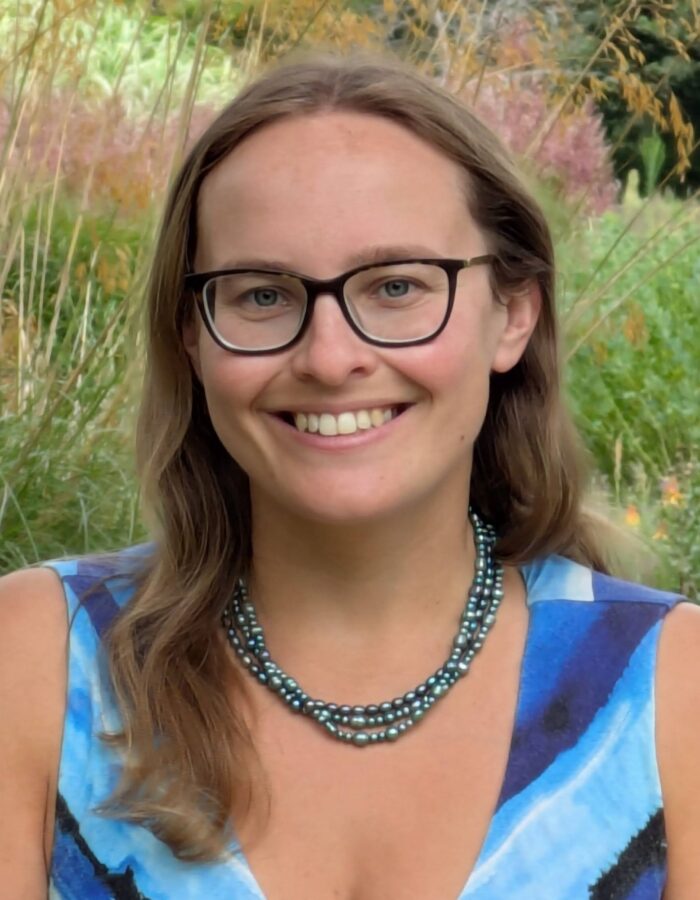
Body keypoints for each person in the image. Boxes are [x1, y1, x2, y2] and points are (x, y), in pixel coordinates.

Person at [1, 51, 699, 900]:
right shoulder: (36, 660)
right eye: (262, 294)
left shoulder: (673, 692)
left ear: (512, 314)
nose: (330, 358)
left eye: (397, 286)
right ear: (191, 333)